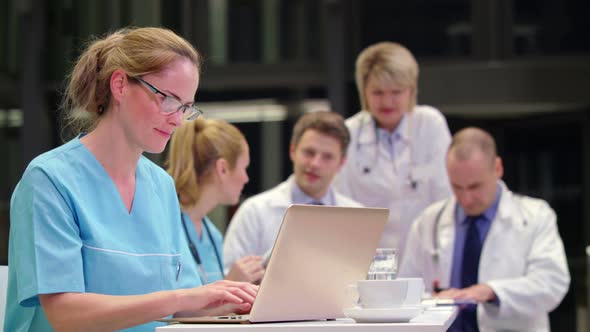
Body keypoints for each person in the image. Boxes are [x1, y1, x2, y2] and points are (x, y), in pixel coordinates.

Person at [5, 27, 257, 332]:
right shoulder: (49, 180)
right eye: (167, 99)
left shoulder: (161, 187)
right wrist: (180, 297)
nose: (178, 119)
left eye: (186, 107)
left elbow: (176, 310)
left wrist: (230, 302)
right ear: (120, 85)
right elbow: (64, 313)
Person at [399, 127, 570, 332]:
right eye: (457, 187)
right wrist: (432, 299)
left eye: (474, 187)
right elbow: (405, 292)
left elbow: (551, 283)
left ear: (497, 168)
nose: (466, 199)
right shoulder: (428, 222)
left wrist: (491, 291)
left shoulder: (536, 216)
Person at [334, 42, 452, 261]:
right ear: (364, 92)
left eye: (396, 92)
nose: (387, 101)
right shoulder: (349, 133)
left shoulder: (430, 125)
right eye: (377, 93)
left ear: (411, 91)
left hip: (424, 258)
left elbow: (446, 197)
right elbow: (342, 206)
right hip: (366, 260)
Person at [223, 111, 362, 270]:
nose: (315, 163)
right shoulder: (254, 212)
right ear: (292, 151)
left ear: (342, 163)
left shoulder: (357, 216)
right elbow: (230, 280)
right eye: (309, 152)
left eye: (327, 157)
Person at [167, 118, 265, 284]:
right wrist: (231, 284)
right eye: (244, 168)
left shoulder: (212, 234)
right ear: (223, 169)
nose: (246, 178)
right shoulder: (166, 224)